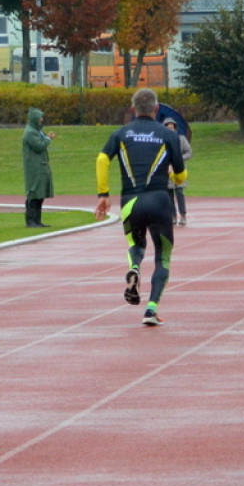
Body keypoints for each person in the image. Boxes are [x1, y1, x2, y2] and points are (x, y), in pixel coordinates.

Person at [95, 88, 187, 326]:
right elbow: (180, 175)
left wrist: (103, 194)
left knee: (136, 245)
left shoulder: (121, 133)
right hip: (159, 201)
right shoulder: (168, 135)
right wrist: (175, 177)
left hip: (131, 202)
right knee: (162, 256)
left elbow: (102, 159)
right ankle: (151, 308)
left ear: (133, 109)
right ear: (156, 109)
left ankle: (134, 267)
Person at [22, 107, 55, 227]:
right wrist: (48, 139)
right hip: (34, 168)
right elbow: (39, 146)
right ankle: (31, 221)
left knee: (40, 194)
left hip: (41, 166)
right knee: (34, 194)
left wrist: (46, 137)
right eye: (40, 117)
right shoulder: (30, 132)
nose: (42, 119)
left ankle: (37, 220)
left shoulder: (36, 130)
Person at [163, 119, 193, 226]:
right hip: (167, 171)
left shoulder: (181, 139)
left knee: (180, 193)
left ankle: (183, 215)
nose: (170, 130)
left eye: (172, 128)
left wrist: (179, 159)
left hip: (179, 170)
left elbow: (189, 152)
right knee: (169, 194)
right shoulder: (162, 141)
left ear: (175, 128)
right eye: (167, 128)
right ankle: (172, 216)